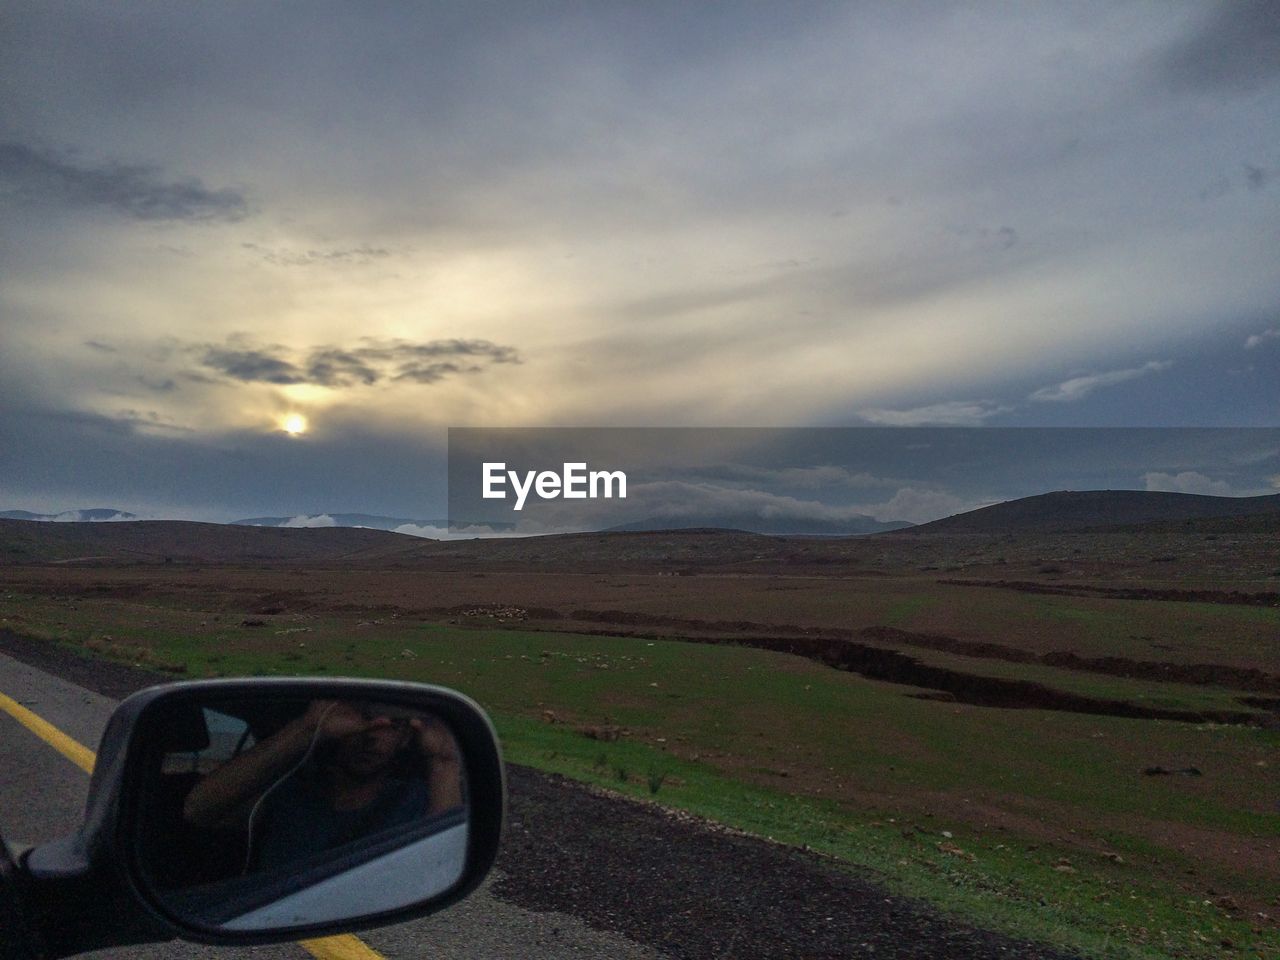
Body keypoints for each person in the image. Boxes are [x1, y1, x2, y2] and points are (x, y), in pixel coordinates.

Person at [182, 699, 464, 873]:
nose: (372, 736)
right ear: (335, 729)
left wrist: (444, 761)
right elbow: (200, 810)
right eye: (365, 718)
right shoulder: (288, 790)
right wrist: (307, 728)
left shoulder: (418, 801)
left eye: (393, 725)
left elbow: (446, 869)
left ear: (406, 739)